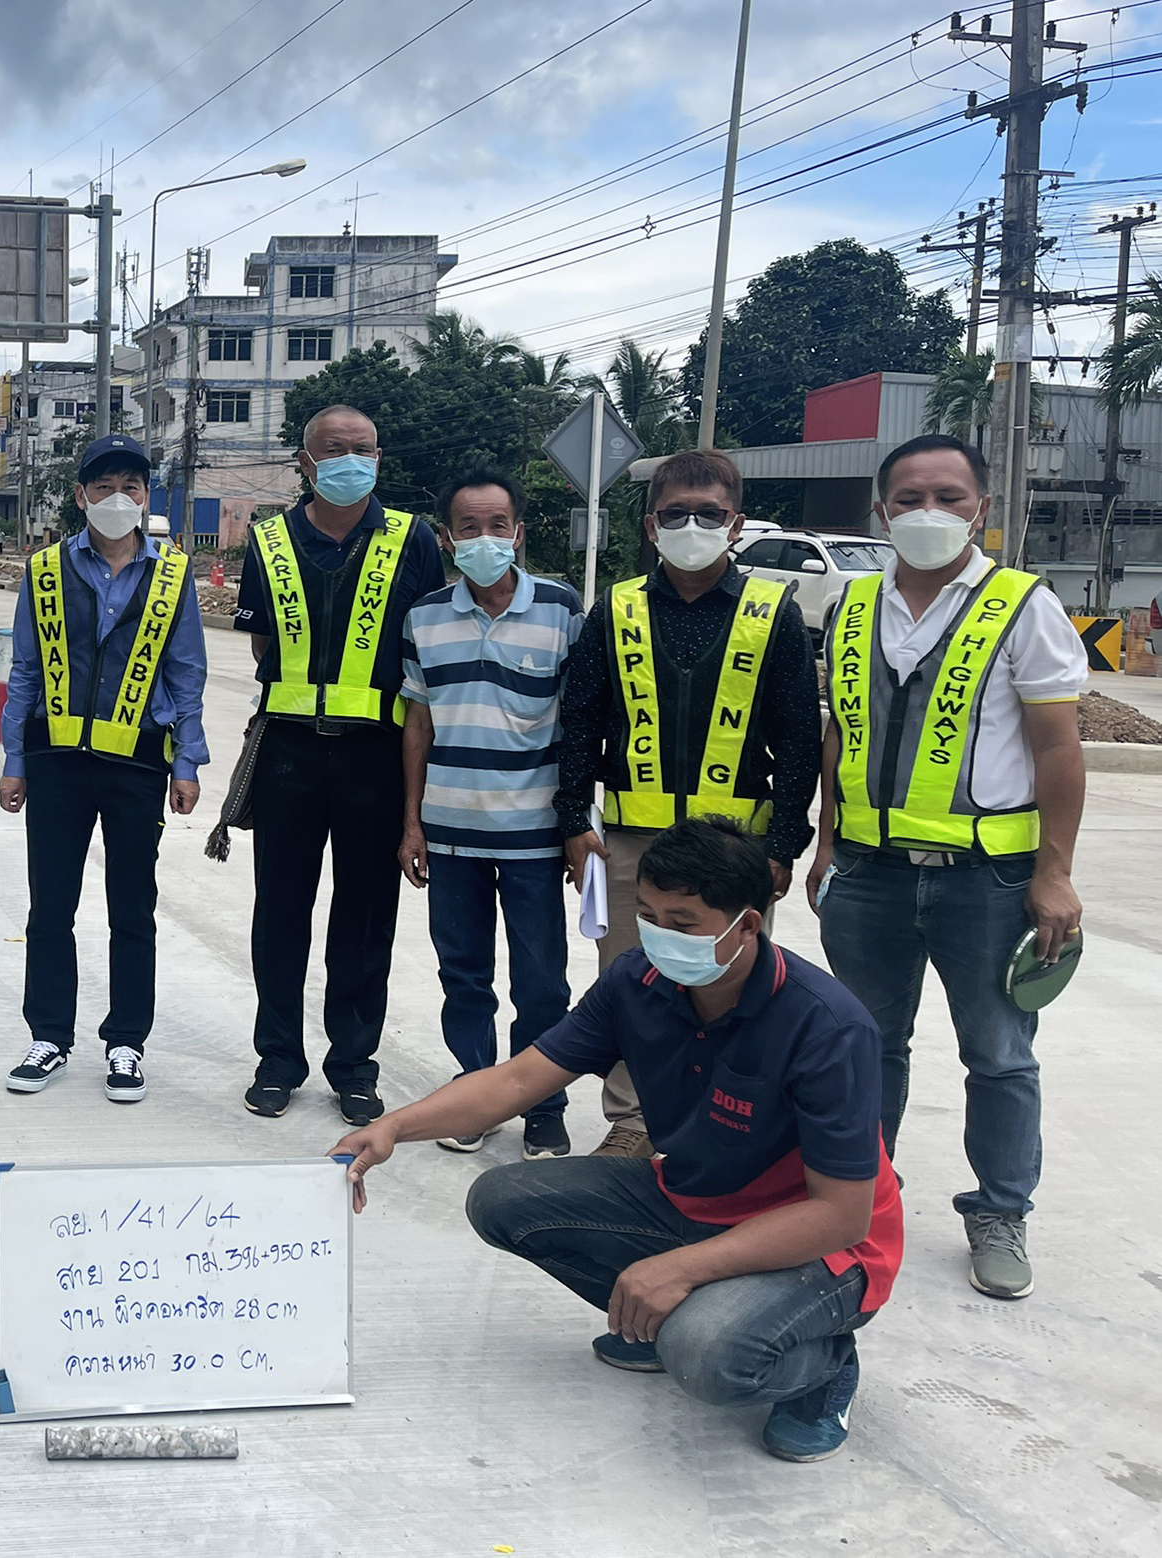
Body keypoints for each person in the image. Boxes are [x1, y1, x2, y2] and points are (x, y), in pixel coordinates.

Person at [335, 819, 904, 1464]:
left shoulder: (826, 1026)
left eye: (683, 923)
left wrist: (680, 1269)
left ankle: (821, 1366)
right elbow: (520, 1079)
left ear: (747, 925)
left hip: (822, 1245)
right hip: (693, 1200)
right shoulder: (637, 983)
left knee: (705, 1355)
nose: (660, 936)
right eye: (649, 916)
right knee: (503, 1200)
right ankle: (671, 1316)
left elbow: (841, 1214)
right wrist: (394, 1128)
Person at [807, 433, 1085, 1301]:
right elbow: (842, 729)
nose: (929, 513)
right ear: (881, 511)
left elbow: (1058, 747)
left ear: (981, 510)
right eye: (910, 499)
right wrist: (826, 842)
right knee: (866, 1047)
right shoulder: (853, 604)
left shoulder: (1022, 605)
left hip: (987, 881)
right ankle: (862, 1199)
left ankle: (1000, 1211)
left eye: (949, 497)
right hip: (869, 873)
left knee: (999, 1054)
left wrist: (1055, 872)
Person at [554, 447, 819, 1160]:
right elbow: (581, 719)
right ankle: (633, 1121)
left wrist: (782, 845)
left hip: (736, 851)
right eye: (676, 514)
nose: (692, 526)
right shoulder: (617, 608)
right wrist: (574, 820)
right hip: (631, 844)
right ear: (651, 525)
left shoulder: (774, 613)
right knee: (632, 984)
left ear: (736, 523)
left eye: (709, 513)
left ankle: (725, 1124)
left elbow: (799, 736)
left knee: (735, 986)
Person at [228, 404, 446, 1124]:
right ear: (306, 461)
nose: (350, 460)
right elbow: (262, 644)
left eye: (363, 449)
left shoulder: (413, 539)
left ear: (378, 458)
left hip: (376, 756)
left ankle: (354, 1066)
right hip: (288, 752)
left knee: (365, 916)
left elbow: (426, 648)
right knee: (279, 911)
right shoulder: (268, 539)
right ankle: (277, 1059)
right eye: (333, 448)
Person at [0, 433, 210, 1102]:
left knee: (133, 909)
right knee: (50, 906)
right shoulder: (45, 569)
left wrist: (188, 761)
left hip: (137, 768)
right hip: (55, 764)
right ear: (81, 495)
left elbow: (186, 672)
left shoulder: (173, 574)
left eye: (131, 487)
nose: (118, 498)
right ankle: (48, 1036)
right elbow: (25, 669)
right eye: (104, 487)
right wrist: (13, 759)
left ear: (146, 496)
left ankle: (126, 1043)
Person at [398, 466, 579, 1160]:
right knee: (464, 975)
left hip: (535, 834)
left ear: (519, 533)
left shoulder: (561, 610)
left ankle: (542, 1105)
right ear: (448, 539)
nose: (484, 538)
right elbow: (418, 725)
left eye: (497, 525)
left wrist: (576, 825)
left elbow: (581, 723)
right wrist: (412, 823)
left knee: (542, 981)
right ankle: (475, 1096)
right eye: (468, 527)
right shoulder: (424, 617)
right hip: (450, 833)